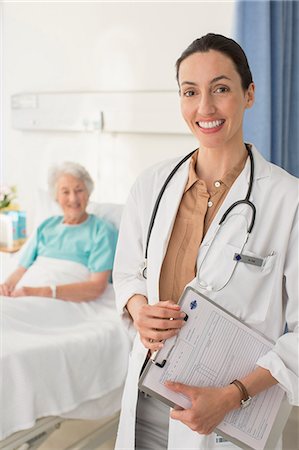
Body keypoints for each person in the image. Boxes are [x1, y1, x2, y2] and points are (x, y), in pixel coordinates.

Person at [112, 33, 298, 450]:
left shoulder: (289, 200)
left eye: (221, 89)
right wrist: (139, 310)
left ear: (248, 94)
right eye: (190, 92)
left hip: (229, 412)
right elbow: (126, 273)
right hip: (147, 398)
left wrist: (234, 395)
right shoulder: (153, 185)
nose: (205, 108)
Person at [0, 162, 118, 302]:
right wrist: (6, 286)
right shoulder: (46, 226)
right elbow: (21, 270)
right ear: (56, 197)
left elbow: (96, 287)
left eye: (79, 190)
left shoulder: (102, 230)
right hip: (23, 295)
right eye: (65, 192)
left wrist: (37, 292)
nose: (73, 198)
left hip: (61, 301)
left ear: (88, 193)